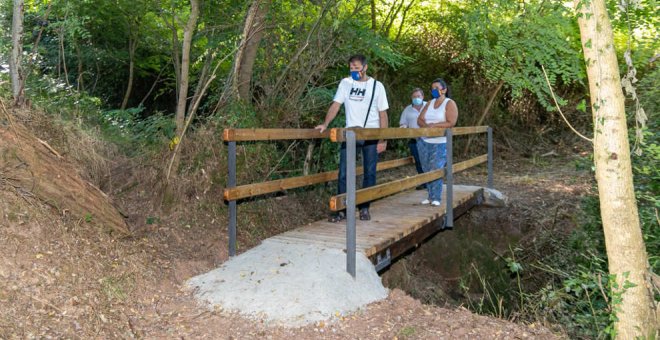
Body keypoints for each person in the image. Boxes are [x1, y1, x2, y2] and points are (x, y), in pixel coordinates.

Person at [315, 54, 389, 222]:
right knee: (344, 173)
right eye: (351, 68)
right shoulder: (346, 83)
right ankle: (342, 209)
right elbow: (336, 105)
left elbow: (383, 114)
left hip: (371, 134)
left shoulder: (377, 86)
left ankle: (364, 208)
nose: (354, 71)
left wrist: (383, 139)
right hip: (350, 134)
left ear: (365, 68)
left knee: (369, 173)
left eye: (357, 68)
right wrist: (325, 124)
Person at [416, 78, 458, 206]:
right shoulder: (429, 103)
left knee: (436, 168)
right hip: (424, 141)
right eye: (432, 88)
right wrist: (426, 127)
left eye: (436, 88)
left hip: (440, 141)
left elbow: (451, 122)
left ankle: (436, 197)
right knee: (426, 168)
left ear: (444, 90)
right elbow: (420, 119)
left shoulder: (449, 103)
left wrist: (435, 126)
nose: (434, 90)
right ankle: (429, 195)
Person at [399, 88, 426, 190]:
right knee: (419, 162)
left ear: (422, 97)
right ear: (411, 98)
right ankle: (423, 182)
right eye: (414, 97)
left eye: (418, 96)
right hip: (415, 140)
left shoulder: (429, 106)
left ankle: (432, 181)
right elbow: (403, 123)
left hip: (429, 139)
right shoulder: (407, 110)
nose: (416, 98)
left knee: (429, 161)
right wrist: (404, 127)